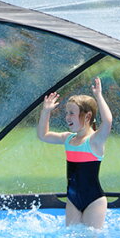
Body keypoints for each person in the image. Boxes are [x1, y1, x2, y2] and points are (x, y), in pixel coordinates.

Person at [37, 77, 113, 229]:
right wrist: (46, 111)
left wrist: (99, 96)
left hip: (94, 201)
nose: (67, 117)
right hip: (72, 200)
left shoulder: (95, 140)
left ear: (87, 116)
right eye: (67, 113)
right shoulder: (67, 138)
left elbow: (108, 121)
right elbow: (43, 135)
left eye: (72, 113)